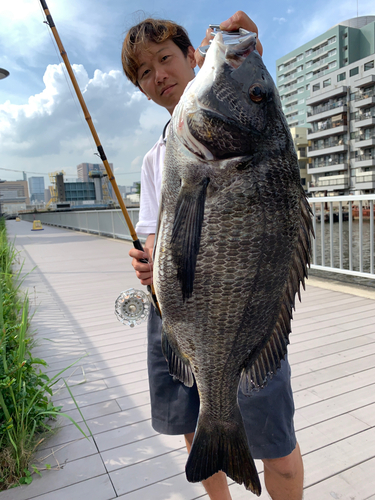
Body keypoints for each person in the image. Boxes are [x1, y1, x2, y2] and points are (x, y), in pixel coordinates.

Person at [122, 11, 304, 500]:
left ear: (193, 58)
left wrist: (245, 55)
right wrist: (147, 259)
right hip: (177, 314)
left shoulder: (241, 141)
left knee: (277, 447)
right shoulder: (156, 156)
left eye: (165, 58)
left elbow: (254, 100)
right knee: (195, 426)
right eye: (143, 72)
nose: (158, 75)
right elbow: (155, 235)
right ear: (141, 88)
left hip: (246, 314)